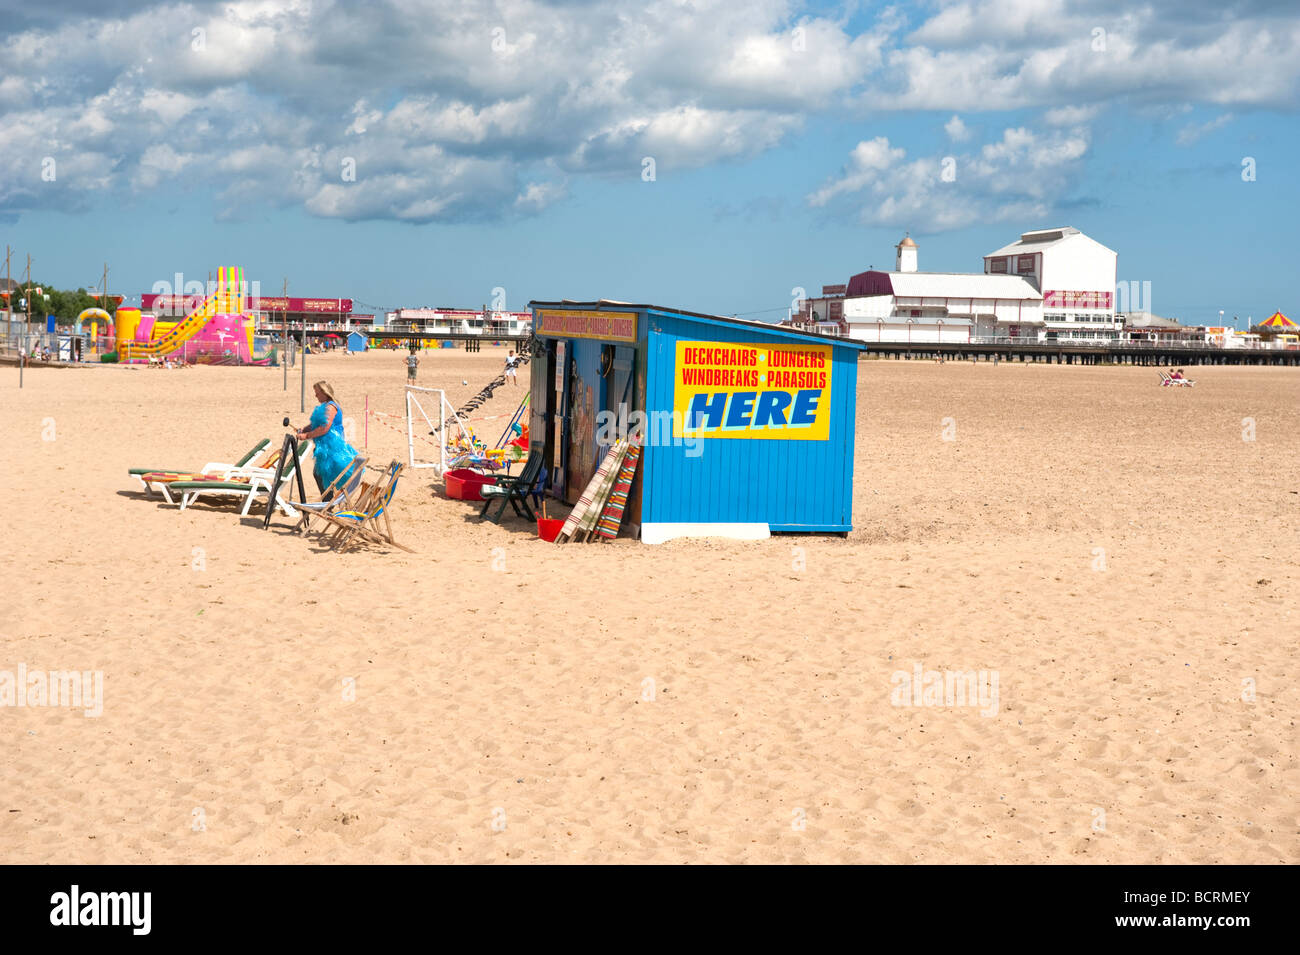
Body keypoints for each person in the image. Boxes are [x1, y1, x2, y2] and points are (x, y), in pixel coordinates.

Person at [296, 380, 360, 496]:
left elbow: (324, 427)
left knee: (323, 474)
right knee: (320, 474)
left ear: (325, 393)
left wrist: (306, 436)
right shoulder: (324, 406)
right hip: (324, 446)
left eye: (317, 393)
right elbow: (315, 424)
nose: (316, 396)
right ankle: (329, 499)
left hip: (332, 447)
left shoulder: (331, 407)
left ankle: (329, 501)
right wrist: (304, 429)